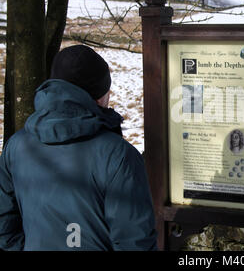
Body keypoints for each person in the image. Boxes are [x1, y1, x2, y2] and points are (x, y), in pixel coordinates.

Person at [0, 45, 157, 251]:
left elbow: (4, 226)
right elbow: (135, 242)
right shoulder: (117, 155)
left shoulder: (17, 146)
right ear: (99, 96)